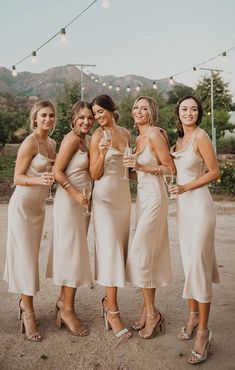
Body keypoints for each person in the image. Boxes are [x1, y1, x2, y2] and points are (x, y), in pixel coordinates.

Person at [170, 95, 220, 364]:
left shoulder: (201, 136)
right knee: (189, 267)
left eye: (193, 109)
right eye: (184, 109)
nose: (188, 112)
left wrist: (186, 187)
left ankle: (203, 332)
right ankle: (191, 317)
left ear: (199, 113)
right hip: (184, 212)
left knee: (198, 269)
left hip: (200, 209)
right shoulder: (178, 141)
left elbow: (214, 172)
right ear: (178, 114)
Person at [4, 100, 56, 342]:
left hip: (38, 209)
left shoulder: (52, 143)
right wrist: (39, 180)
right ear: (35, 118)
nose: (48, 119)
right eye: (43, 115)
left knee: (31, 258)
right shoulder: (30, 142)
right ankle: (28, 312)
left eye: (51, 115)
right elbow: (18, 177)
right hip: (23, 207)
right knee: (26, 260)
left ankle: (24, 303)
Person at [123, 96, 174, 339]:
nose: (138, 111)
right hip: (142, 198)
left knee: (140, 253)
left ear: (152, 112)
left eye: (144, 108)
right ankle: (148, 310)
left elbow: (169, 168)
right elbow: (137, 174)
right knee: (147, 256)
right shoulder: (138, 138)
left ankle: (152, 313)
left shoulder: (154, 134)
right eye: (135, 107)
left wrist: (141, 168)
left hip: (155, 197)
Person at [46, 101, 94, 337]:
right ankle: (67, 310)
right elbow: (57, 172)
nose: (86, 122)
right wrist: (75, 194)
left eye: (89, 118)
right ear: (73, 118)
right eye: (82, 118)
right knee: (73, 255)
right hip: (70, 202)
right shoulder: (72, 139)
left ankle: (61, 302)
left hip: (82, 205)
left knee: (72, 253)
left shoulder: (87, 139)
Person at [89, 94, 132, 339]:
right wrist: (103, 153)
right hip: (104, 198)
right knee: (111, 250)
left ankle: (108, 301)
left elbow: (131, 165)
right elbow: (94, 174)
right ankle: (112, 310)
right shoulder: (97, 136)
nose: (97, 117)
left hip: (123, 197)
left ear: (110, 109)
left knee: (120, 250)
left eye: (99, 111)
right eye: (94, 114)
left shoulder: (125, 133)